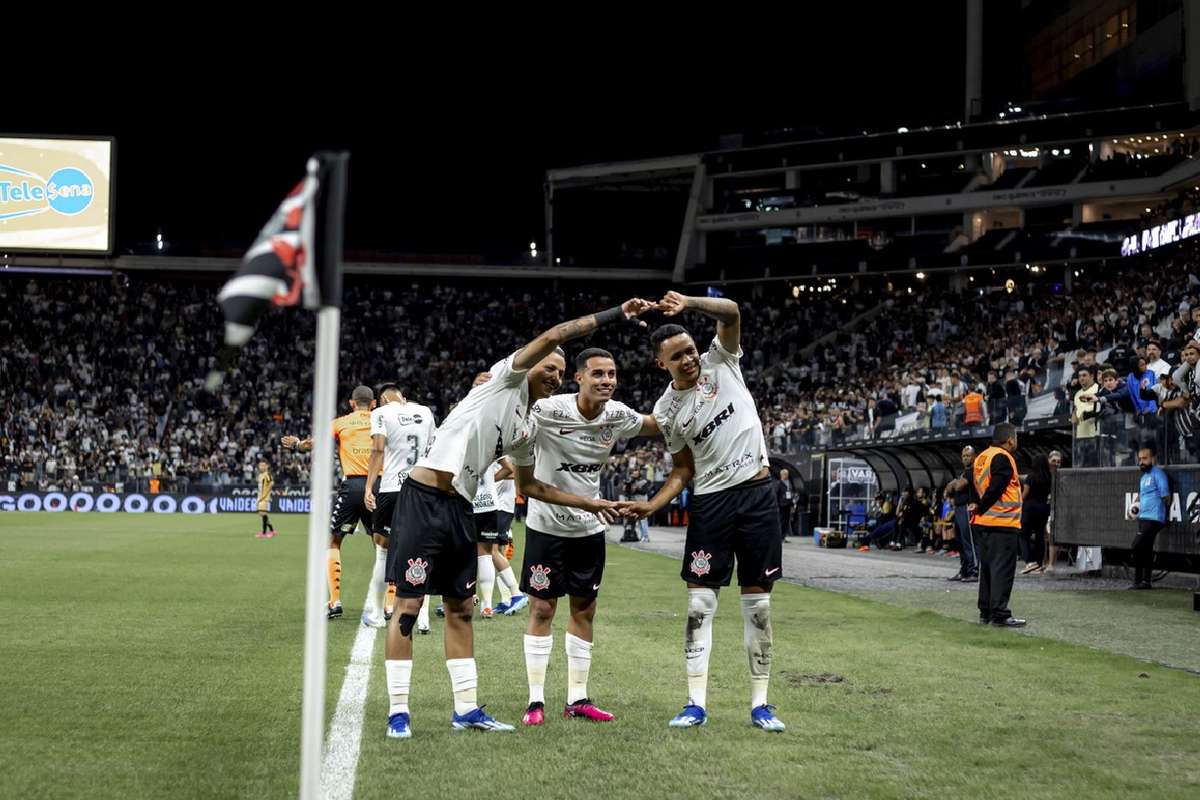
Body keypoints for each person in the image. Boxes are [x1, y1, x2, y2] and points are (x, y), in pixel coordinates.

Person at [381, 299, 649, 739]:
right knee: (409, 607)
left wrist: (590, 505)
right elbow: (555, 334)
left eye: (559, 372)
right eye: (549, 366)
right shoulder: (502, 382)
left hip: (461, 508)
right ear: (529, 363)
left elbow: (534, 487)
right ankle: (398, 712)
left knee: (461, 608)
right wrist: (616, 314)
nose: (554, 374)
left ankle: (465, 709)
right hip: (424, 497)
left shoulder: (527, 427)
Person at [616, 291, 785, 732]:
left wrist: (688, 302)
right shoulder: (667, 410)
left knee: (759, 607)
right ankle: (695, 703)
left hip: (757, 494)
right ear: (662, 365)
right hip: (711, 504)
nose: (689, 360)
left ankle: (761, 704)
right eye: (677, 357)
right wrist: (650, 505)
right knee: (699, 604)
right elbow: (683, 469)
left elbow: (732, 312)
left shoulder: (721, 360)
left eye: (690, 350)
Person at [517, 347, 660, 726]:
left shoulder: (617, 415)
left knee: (584, 610)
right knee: (542, 608)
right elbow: (513, 416)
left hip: (589, 530)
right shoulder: (549, 410)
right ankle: (535, 702)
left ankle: (577, 699)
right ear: (577, 377)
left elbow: (655, 424)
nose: (606, 381)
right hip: (547, 526)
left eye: (611, 374)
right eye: (597, 374)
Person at [281, 385, 377, 620]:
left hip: (353, 486)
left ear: (352, 403)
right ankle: (388, 604)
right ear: (373, 403)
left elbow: (310, 445)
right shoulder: (381, 419)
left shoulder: (341, 422)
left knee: (333, 541)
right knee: (384, 546)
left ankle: (334, 601)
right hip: (379, 486)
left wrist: (296, 444)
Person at [363, 384, 436, 630]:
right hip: (423, 488)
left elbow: (378, 448)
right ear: (402, 397)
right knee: (424, 550)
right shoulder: (425, 412)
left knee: (382, 548)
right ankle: (423, 617)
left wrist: (369, 486)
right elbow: (434, 448)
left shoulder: (381, 413)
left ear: (383, 399)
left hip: (393, 488)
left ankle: (375, 614)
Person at [969, 423, 1025, 627]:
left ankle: (986, 611)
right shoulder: (1003, 457)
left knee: (988, 569)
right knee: (1002, 569)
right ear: (1010, 439)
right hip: (1002, 521)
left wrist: (978, 508)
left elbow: (974, 485)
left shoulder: (982, 457)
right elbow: (997, 487)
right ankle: (1000, 614)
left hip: (984, 523)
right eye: (1016, 438)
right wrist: (983, 507)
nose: (1016, 442)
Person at [1127, 446, 1169, 590]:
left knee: (1136, 546)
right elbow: (1141, 495)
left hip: (1154, 518)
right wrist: (1133, 508)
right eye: (1140, 459)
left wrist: (1164, 515)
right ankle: (1144, 582)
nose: (1141, 462)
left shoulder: (1159, 474)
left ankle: (1140, 581)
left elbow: (1166, 496)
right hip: (1143, 517)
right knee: (1145, 550)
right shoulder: (1143, 477)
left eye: (1145, 458)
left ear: (1153, 459)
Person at [944, 446, 978, 582]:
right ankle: (964, 570)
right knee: (960, 542)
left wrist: (954, 483)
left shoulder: (972, 471)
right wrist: (953, 484)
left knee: (969, 541)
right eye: (964, 456)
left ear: (974, 457)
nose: (965, 458)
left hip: (967, 508)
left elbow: (956, 486)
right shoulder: (964, 472)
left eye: (968, 455)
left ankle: (974, 571)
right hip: (958, 509)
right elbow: (948, 489)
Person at [1019, 454, 1052, 575]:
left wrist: (1017, 503)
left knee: (1023, 535)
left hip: (1029, 508)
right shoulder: (1049, 477)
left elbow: (1025, 494)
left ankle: (1030, 562)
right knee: (1040, 536)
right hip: (1043, 508)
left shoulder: (1030, 477)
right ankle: (1039, 563)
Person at [255, 460, 275, 540]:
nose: (261, 467)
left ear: (267, 466)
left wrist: (265, 494)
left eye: (263, 465)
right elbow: (260, 484)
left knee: (263, 514)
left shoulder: (267, 474)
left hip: (264, 497)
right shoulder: (260, 475)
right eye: (260, 465)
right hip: (260, 497)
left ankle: (264, 533)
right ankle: (272, 530)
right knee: (262, 514)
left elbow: (271, 483)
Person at [775, 469, 795, 543]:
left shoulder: (789, 483)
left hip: (788, 504)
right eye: (785, 474)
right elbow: (776, 494)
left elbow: (791, 493)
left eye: (787, 474)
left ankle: (783, 537)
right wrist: (777, 505)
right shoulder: (779, 484)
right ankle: (780, 537)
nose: (787, 475)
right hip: (781, 505)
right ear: (782, 475)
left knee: (786, 521)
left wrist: (792, 504)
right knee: (781, 521)